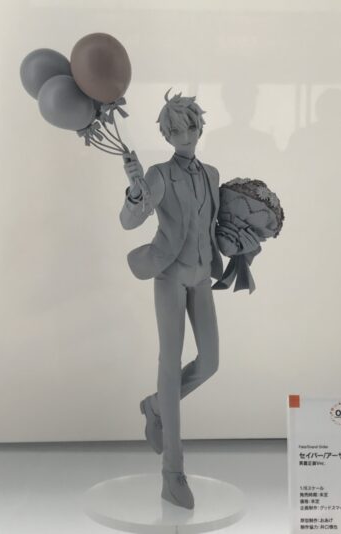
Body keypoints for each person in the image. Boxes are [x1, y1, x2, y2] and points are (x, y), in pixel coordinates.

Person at [119, 90, 228, 509]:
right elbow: (131, 220)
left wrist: (245, 244)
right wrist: (135, 189)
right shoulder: (160, 174)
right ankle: (172, 473)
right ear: (166, 135)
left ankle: (155, 406)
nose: (186, 134)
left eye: (191, 126)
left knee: (211, 362)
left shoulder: (212, 174)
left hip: (201, 276)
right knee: (169, 363)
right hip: (169, 275)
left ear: (200, 126)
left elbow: (216, 225)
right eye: (177, 129)